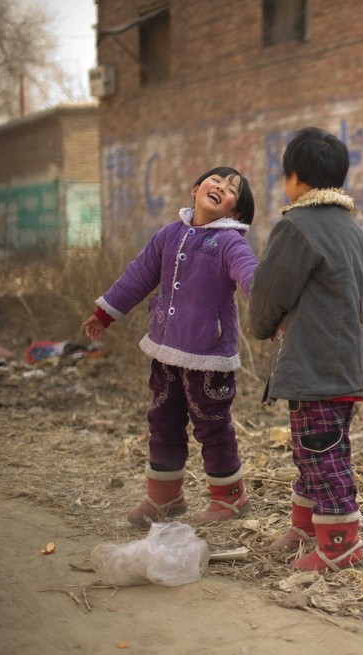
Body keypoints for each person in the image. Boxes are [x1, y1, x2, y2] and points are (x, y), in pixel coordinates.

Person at [83, 167, 259, 527]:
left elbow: (249, 273)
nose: (220, 188)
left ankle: (230, 497)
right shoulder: (168, 235)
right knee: (162, 420)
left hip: (208, 356)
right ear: (195, 188)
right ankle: (164, 496)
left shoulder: (230, 242)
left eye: (230, 191)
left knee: (211, 425)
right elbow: (138, 275)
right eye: (216, 181)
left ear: (235, 213)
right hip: (165, 349)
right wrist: (104, 313)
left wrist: (264, 308)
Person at [248, 127, 363, 571]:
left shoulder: (296, 225)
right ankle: (305, 526)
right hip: (343, 363)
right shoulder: (354, 230)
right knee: (313, 449)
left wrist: (260, 326)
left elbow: (269, 293)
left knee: (322, 454)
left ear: (295, 179)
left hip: (315, 363)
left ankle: (340, 546)